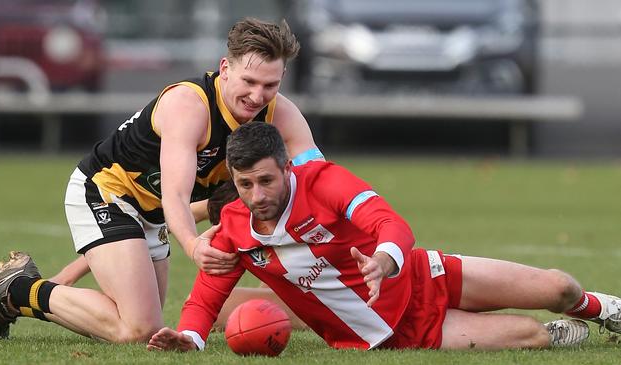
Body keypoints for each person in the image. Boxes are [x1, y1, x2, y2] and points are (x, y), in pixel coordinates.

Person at [0, 18, 320, 342]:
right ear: (225, 68)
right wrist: (193, 245)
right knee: (138, 329)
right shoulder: (189, 105)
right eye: (250, 82)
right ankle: (15, 290)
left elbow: (319, 182)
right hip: (106, 191)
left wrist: (359, 247)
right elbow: (175, 196)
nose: (258, 96)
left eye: (270, 85)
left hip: (149, 216)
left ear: (283, 77)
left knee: (138, 317)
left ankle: (18, 296)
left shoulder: (282, 114)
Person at [146, 122, 621, 352]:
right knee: (532, 336)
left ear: (287, 169)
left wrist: (387, 260)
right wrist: (189, 337)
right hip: (396, 333)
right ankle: (566, 337)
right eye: (245, 184)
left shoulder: (324, 181)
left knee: (558, 286)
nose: (256, 195)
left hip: (422, 275)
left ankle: (607, 310)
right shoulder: (233, 226)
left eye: (266, 181)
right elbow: (206, 298)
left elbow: (392, 225)